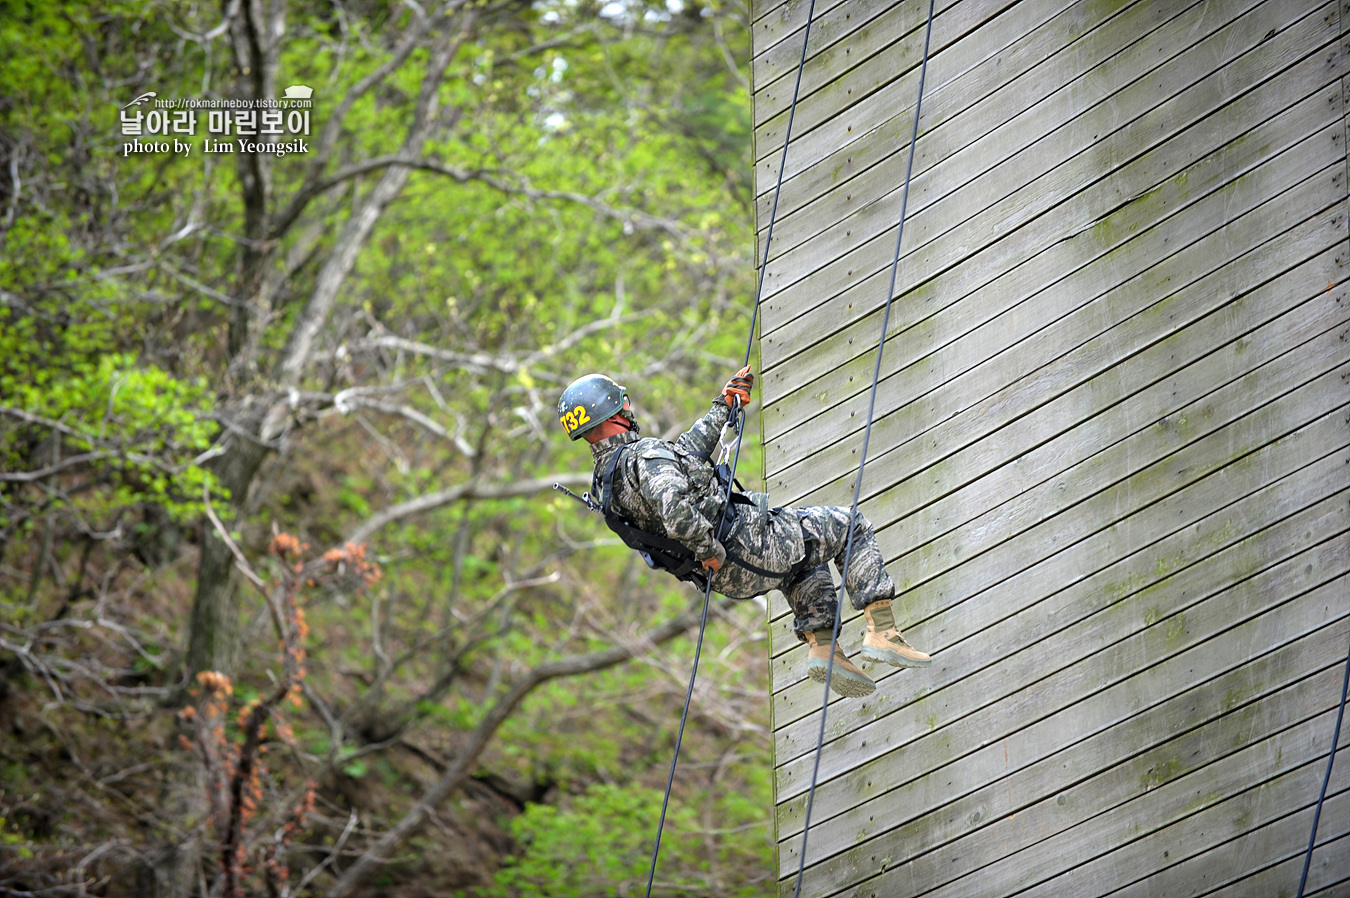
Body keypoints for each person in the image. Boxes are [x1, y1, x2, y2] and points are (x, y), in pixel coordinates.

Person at [557, 368, 931, 697]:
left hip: (725, 577)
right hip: (743, 545)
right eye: (622, 403)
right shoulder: (644, 456)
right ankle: (883, 630)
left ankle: (823, 647)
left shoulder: (610, 482)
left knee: (804, 557)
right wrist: (707, 547)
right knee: (851, 525)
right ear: (613, 410)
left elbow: (683, 458)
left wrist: (723, 405)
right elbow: (675, 509)